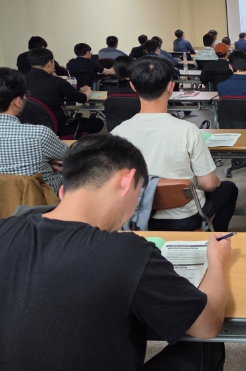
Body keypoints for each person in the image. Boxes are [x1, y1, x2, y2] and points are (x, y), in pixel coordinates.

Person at [0, 133, 229, 371]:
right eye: (139, 195)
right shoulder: (128, 252)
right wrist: (215, 260)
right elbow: (207, 326)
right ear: (126, 181)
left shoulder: (4, 230)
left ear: (64, 190)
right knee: (206, 346)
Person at [113, 58, 238, 231]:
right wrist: (215, 182)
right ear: (171, 87)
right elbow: (209, 184)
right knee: (228, 189)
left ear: (133, 86)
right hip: (184, 217)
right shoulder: (188, 130)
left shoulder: (117, 133)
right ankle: (214, 236)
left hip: (135, 215)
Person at [0, 68, 69, 193]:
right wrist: (47, 164)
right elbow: (70, 156)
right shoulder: (38, 135)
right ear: (18, 101)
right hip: (40, 200)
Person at [26, 48, 104, 137]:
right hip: (57, 127)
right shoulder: (57, 82)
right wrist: (88, 90)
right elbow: (82, 99)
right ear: (50, 63)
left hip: (29, 127)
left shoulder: (21, 80)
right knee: (98, 122)